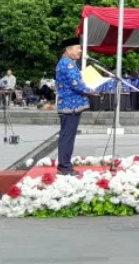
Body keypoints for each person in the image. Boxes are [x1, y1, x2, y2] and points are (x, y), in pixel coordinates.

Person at [55, 37, 95, 176]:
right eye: (78, 48)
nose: (80, 51)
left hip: (70, 106)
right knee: (67, 136)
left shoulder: (67, 63)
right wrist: (92, 90)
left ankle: (66, 165)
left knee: (68, 136)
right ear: (68, 49)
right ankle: (64, 167)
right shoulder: (68, 64)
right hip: (69, 106)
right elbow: (76, 84)